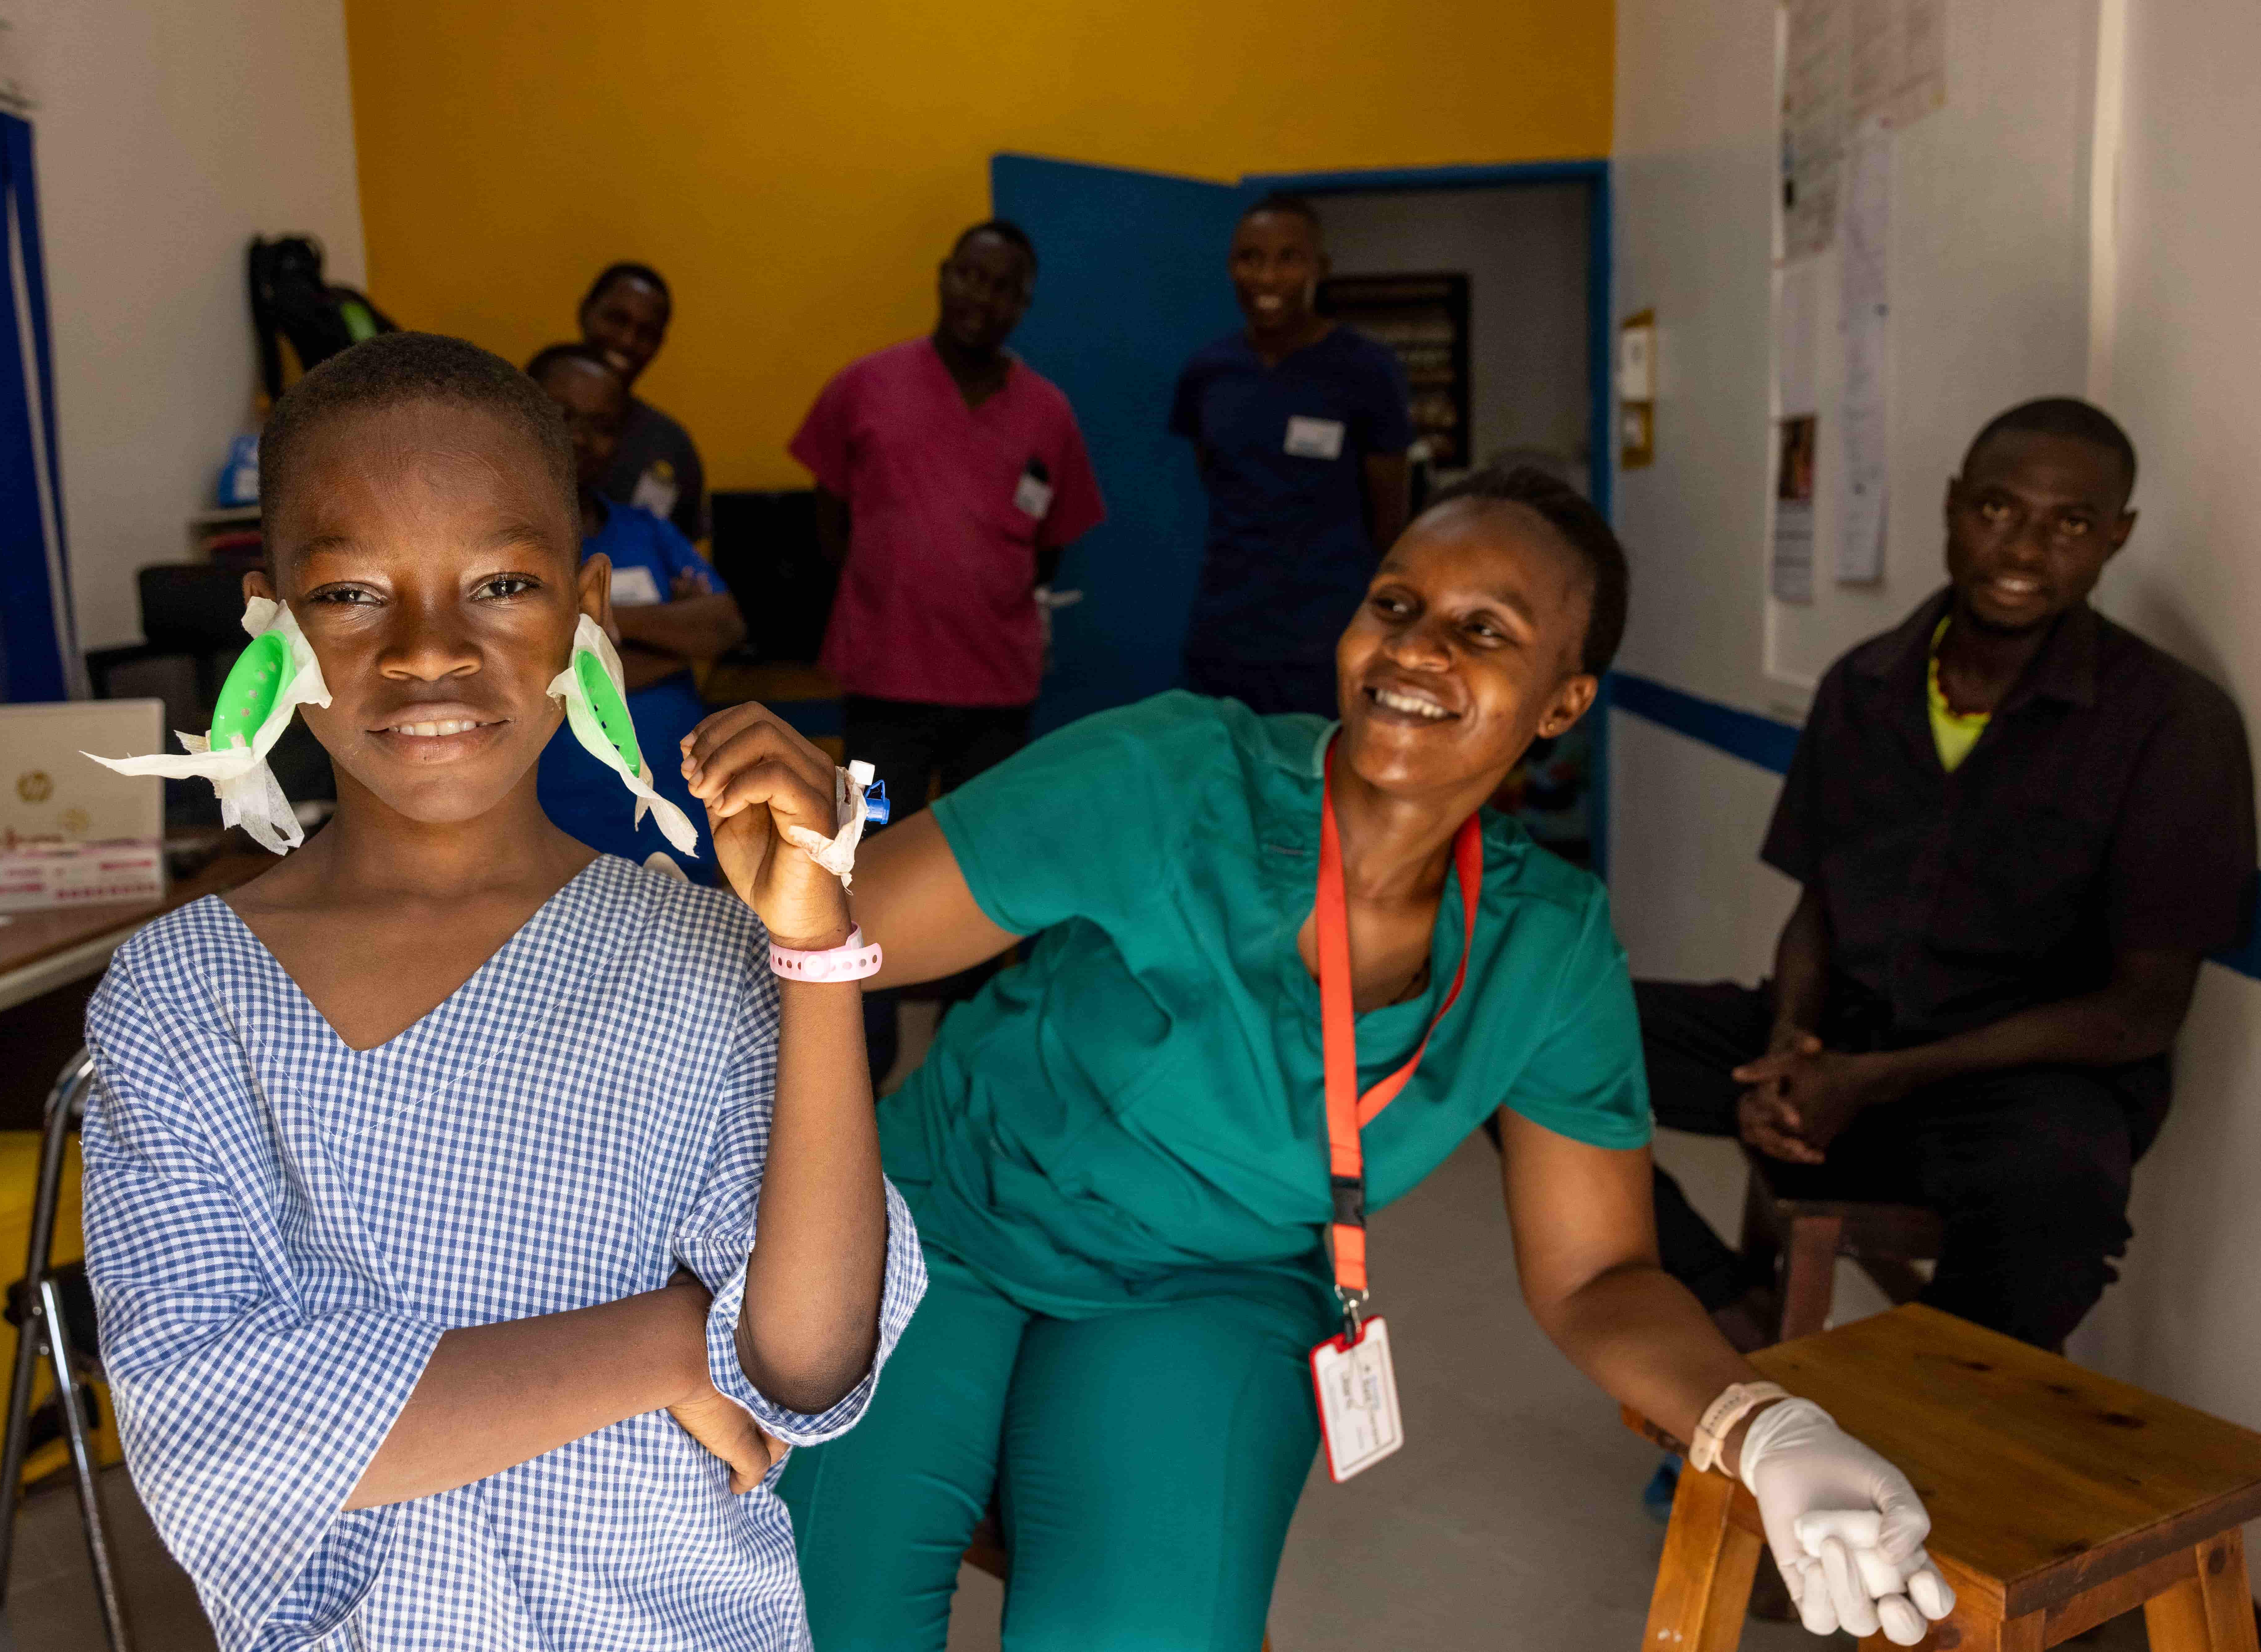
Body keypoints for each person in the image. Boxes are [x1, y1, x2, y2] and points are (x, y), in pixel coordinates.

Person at [688, 468, 1954, 1650]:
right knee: (811, 1616)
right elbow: (841, 929)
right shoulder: (1176, 776)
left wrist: (1756, 1421)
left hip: (1210, 1287)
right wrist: (804, 851)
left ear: (1564, 700)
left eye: (1485, 629)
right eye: (1395, 604)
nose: (1416, 647)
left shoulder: (1545, 947)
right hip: (932, 1231)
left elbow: (1598, 1273)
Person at [77, 333, 924, 1652]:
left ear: (589, 608)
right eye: (355, 592)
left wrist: (816, 948)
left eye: (502, 583)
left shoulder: (697, 955)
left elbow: (803, 1364)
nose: (429, 651)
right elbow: (217, 1428)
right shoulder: (179, 994)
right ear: (271, 619)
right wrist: (662, 1339)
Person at [1645, 398, 2254, 1354]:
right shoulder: (1863, 685)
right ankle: (1727, 1326)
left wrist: (1876, 1078)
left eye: (2072, 523)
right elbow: (1819, 904)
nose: (2022, 548)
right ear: (1952, 506)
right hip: (1843, 1040)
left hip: (2016, 1087)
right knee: (1517, 1033)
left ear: (2116, 538)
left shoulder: (2173, 724)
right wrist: (1792, 1042)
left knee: (2062, 1201)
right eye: (1998, 509)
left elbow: (2141, 1011)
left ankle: (1923, 1423)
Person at [790, 218, 1104, 1079]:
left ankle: (969, 1047)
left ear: (1024, 303)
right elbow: (830, 522)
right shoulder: (866, 387)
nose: (984, 297)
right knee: (868, 852)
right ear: (945, 275)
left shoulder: (1048, 413)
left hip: (994, 688)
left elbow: (1052, 545)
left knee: (981, 866)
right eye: (972, 276)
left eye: (1005, 286)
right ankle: (866, 1038)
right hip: (887, 680)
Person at [1171, 193, 1415, 720]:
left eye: (1288, 258)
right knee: (1224, 785)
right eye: (1250, 258)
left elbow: (1389, 520)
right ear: (1231, 267)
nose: (1267, 277)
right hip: (1226, 635)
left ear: (1318, 269)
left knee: (1322, 790)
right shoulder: (1208, 373)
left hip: (1327, 638)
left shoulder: (1365, 370)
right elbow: (1215, 478)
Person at [527, 341, 743, 881]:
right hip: (556, 820)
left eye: (601, 425)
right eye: (561, 416)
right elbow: (543, 673)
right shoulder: (498, 543)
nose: (579, 437)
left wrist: (594, 625)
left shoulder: (646, 529)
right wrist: (673, 638)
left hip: (675, 810)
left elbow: (724, 626)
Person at [579, 260, 708, 542]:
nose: (627, 341)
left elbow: (678, 557)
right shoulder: (520, 416)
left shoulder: (673, 447)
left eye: (646, 333)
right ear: (586, 312)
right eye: (616, 320)